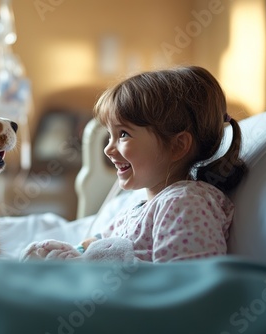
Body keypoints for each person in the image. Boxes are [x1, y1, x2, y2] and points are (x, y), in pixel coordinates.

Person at [21, 65, 247, 263]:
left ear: (178, 146)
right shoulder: (138, 207)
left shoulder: (184, 204)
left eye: (124, 134)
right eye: (109, 135)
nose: (108, 149)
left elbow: (186, 288)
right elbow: (102, 242)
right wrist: (78, 252)